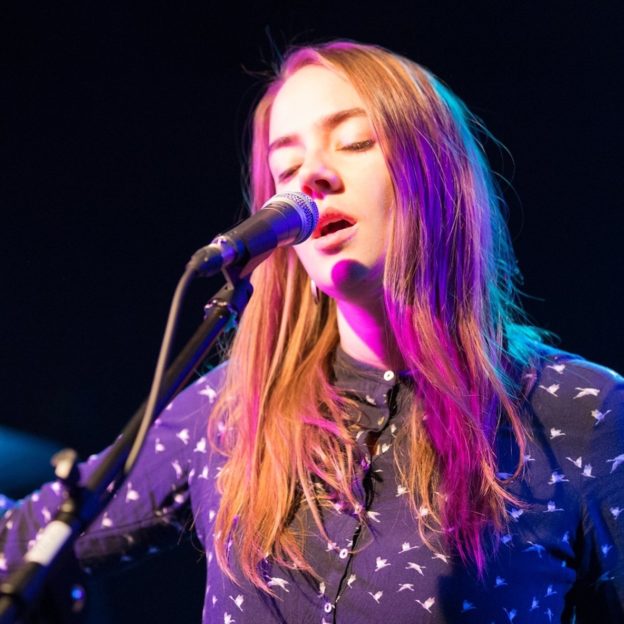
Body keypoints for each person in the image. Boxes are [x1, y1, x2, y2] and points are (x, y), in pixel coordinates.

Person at [1, 40, 623, 623]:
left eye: (355, 142)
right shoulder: (232, 408)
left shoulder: (582, 412)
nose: (310, 177)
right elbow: (21, 544)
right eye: (287, 165)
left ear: (438, 174)